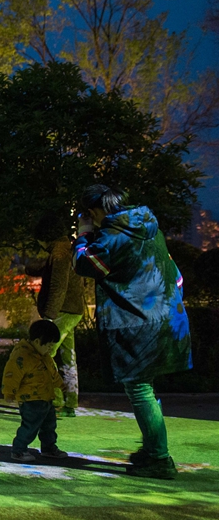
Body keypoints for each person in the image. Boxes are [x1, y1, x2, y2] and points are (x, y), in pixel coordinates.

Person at [72, 185, 191, 480]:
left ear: (94, 212)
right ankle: (153, 449)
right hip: (168, 317)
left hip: (137, 323)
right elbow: (177, 277)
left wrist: (83, 235)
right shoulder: (149, 228)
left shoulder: (113, 237)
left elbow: (84, 264)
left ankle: (160, 459)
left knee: (139, 389)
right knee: (145, 388)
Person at [26, 212, 87, 417]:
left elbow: (59, 286)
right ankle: (71, 401)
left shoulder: (59, 252)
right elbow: (48, 269)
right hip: (72, 310)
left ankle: (56, 400)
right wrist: (31, 267)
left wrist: (49, 318)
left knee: (46, 353)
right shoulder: (64, 249)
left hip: (63, 311)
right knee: (68, 356)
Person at [1, 319, 69, 463]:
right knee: (30, 426)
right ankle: (18, 450)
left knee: (49, 425)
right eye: (49, 345)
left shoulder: (45, 356)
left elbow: (52, 373)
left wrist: (60, 385)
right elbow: (11, 375)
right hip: (30, 399)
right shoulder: (22, 356)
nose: (51, 349)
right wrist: (9, 392)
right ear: (38, 342)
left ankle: (48, 448)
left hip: (46, 398)